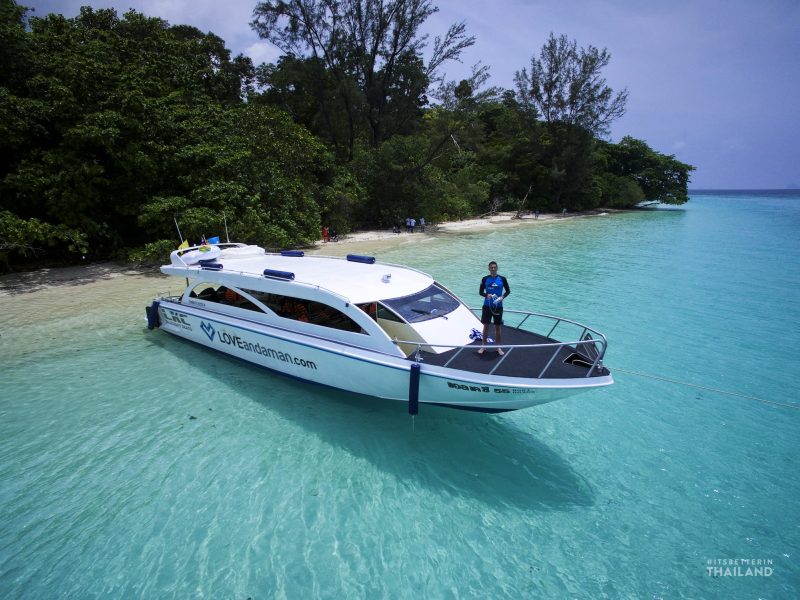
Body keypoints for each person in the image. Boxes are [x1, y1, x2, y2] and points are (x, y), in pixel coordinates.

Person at [478, 261, 510, 355]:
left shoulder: (502, 279)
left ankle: (498, 347)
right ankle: (483, 346)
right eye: (491, 267)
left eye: (494, 267)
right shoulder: (485, 279)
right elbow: (480, 292)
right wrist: (486, 295)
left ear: (497, 268)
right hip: (487, 306)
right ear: (489, 269)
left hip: (498, 306)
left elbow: (508, 291)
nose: (493, 269)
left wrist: (502, 297)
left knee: (497, 327)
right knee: (486, 326)